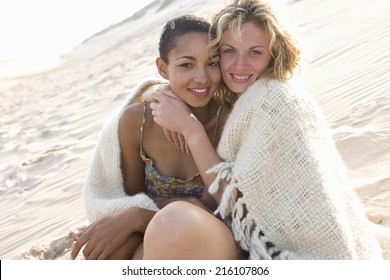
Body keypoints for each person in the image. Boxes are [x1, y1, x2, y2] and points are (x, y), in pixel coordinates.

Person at [142, 0, 383, 259]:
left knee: (173, 224)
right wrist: (155, 92)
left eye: (255, 52)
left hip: (298, 254)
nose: (240, 65)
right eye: (229, 51)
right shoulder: (249, 96)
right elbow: (155, 89)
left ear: (274, 54)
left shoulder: (272, 100)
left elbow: (232, 202)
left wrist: (191, 130)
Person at [70, 14, 236, 260]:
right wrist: (129, 217)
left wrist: (137, 216)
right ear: (162, 68)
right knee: (112, 250)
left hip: (211, 239)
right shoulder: (138, 122)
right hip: (157, 233)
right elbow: (130, 199)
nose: (202, 77)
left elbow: (215, 210)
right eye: (186, 65)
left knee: (156, 237)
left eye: (212, 63)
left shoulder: (228, 123)